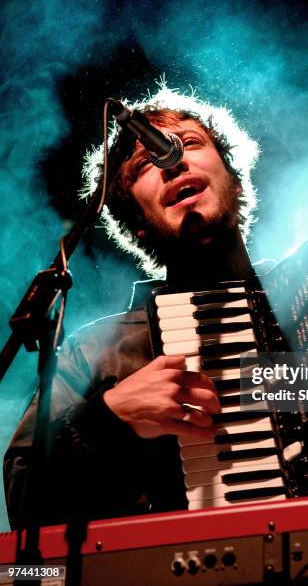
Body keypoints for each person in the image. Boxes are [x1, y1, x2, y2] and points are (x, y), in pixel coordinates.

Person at [3, 81, 262, 528]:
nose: (172, 160)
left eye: (191, 143)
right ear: (136, 224)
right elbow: (27, 509)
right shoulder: (96, 352)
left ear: (234, 179)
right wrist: (108, 421)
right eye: (145, 164)